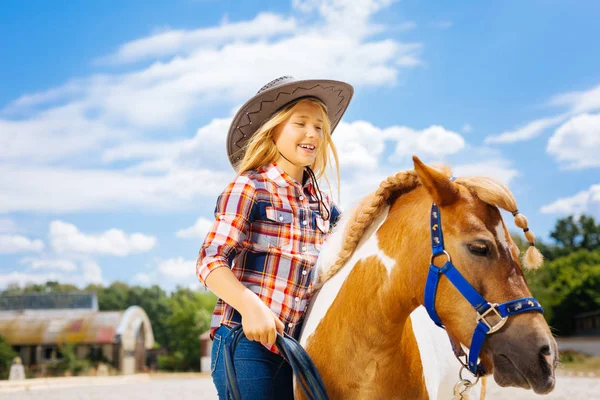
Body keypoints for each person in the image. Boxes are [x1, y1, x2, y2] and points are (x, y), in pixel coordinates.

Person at [196, 76, 353, 399]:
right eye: (301, 123)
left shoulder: (324, 206)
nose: (313, 133)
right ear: (272, 129)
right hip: (246, 341)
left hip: (299, 348)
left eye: (319, 127)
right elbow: (210, 259)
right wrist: (250, 306)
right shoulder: (249, 187)